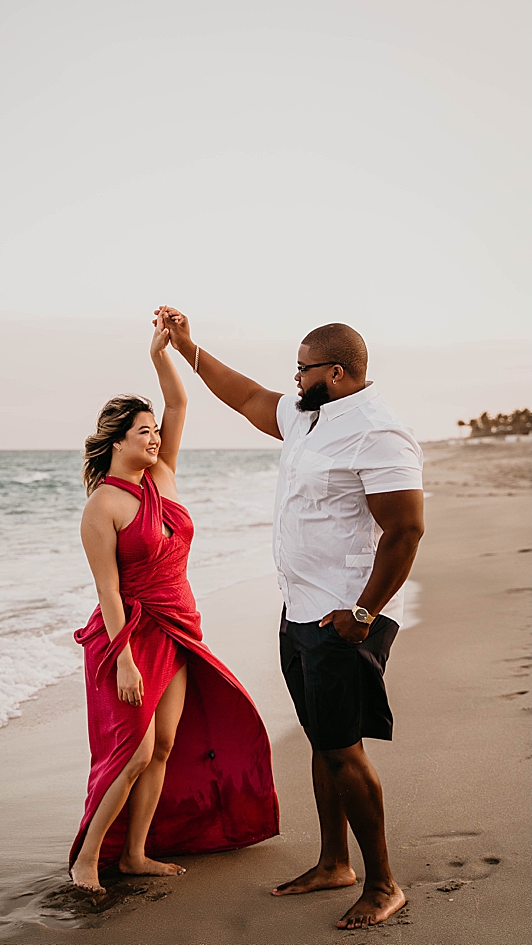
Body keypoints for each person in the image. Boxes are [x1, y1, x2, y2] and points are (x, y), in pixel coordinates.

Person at [155, 306, 424, 931]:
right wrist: (188, 348)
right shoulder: (308, 418)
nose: (293, 379)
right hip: (300, 606)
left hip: (348, 615)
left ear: (336, 371)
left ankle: (384, 883)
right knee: (323, 739)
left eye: (302, 369)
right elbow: (245, 395)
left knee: (344, 749)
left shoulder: (379, 432)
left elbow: (406, 529)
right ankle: (335, 862)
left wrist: (362, 612)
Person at [69, 313, 279, 893]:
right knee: (131, 754)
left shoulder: (162, 475)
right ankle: (87, 861)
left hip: (179, 629)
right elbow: (108, 590)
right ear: (116, 441)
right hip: (130, 637)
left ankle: (135, 854)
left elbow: (179, 405)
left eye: (155, 432)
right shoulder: (102, 507)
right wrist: (125, 658)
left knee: (162, 747)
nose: (156, 438)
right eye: (144, 432)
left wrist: (164, 353)